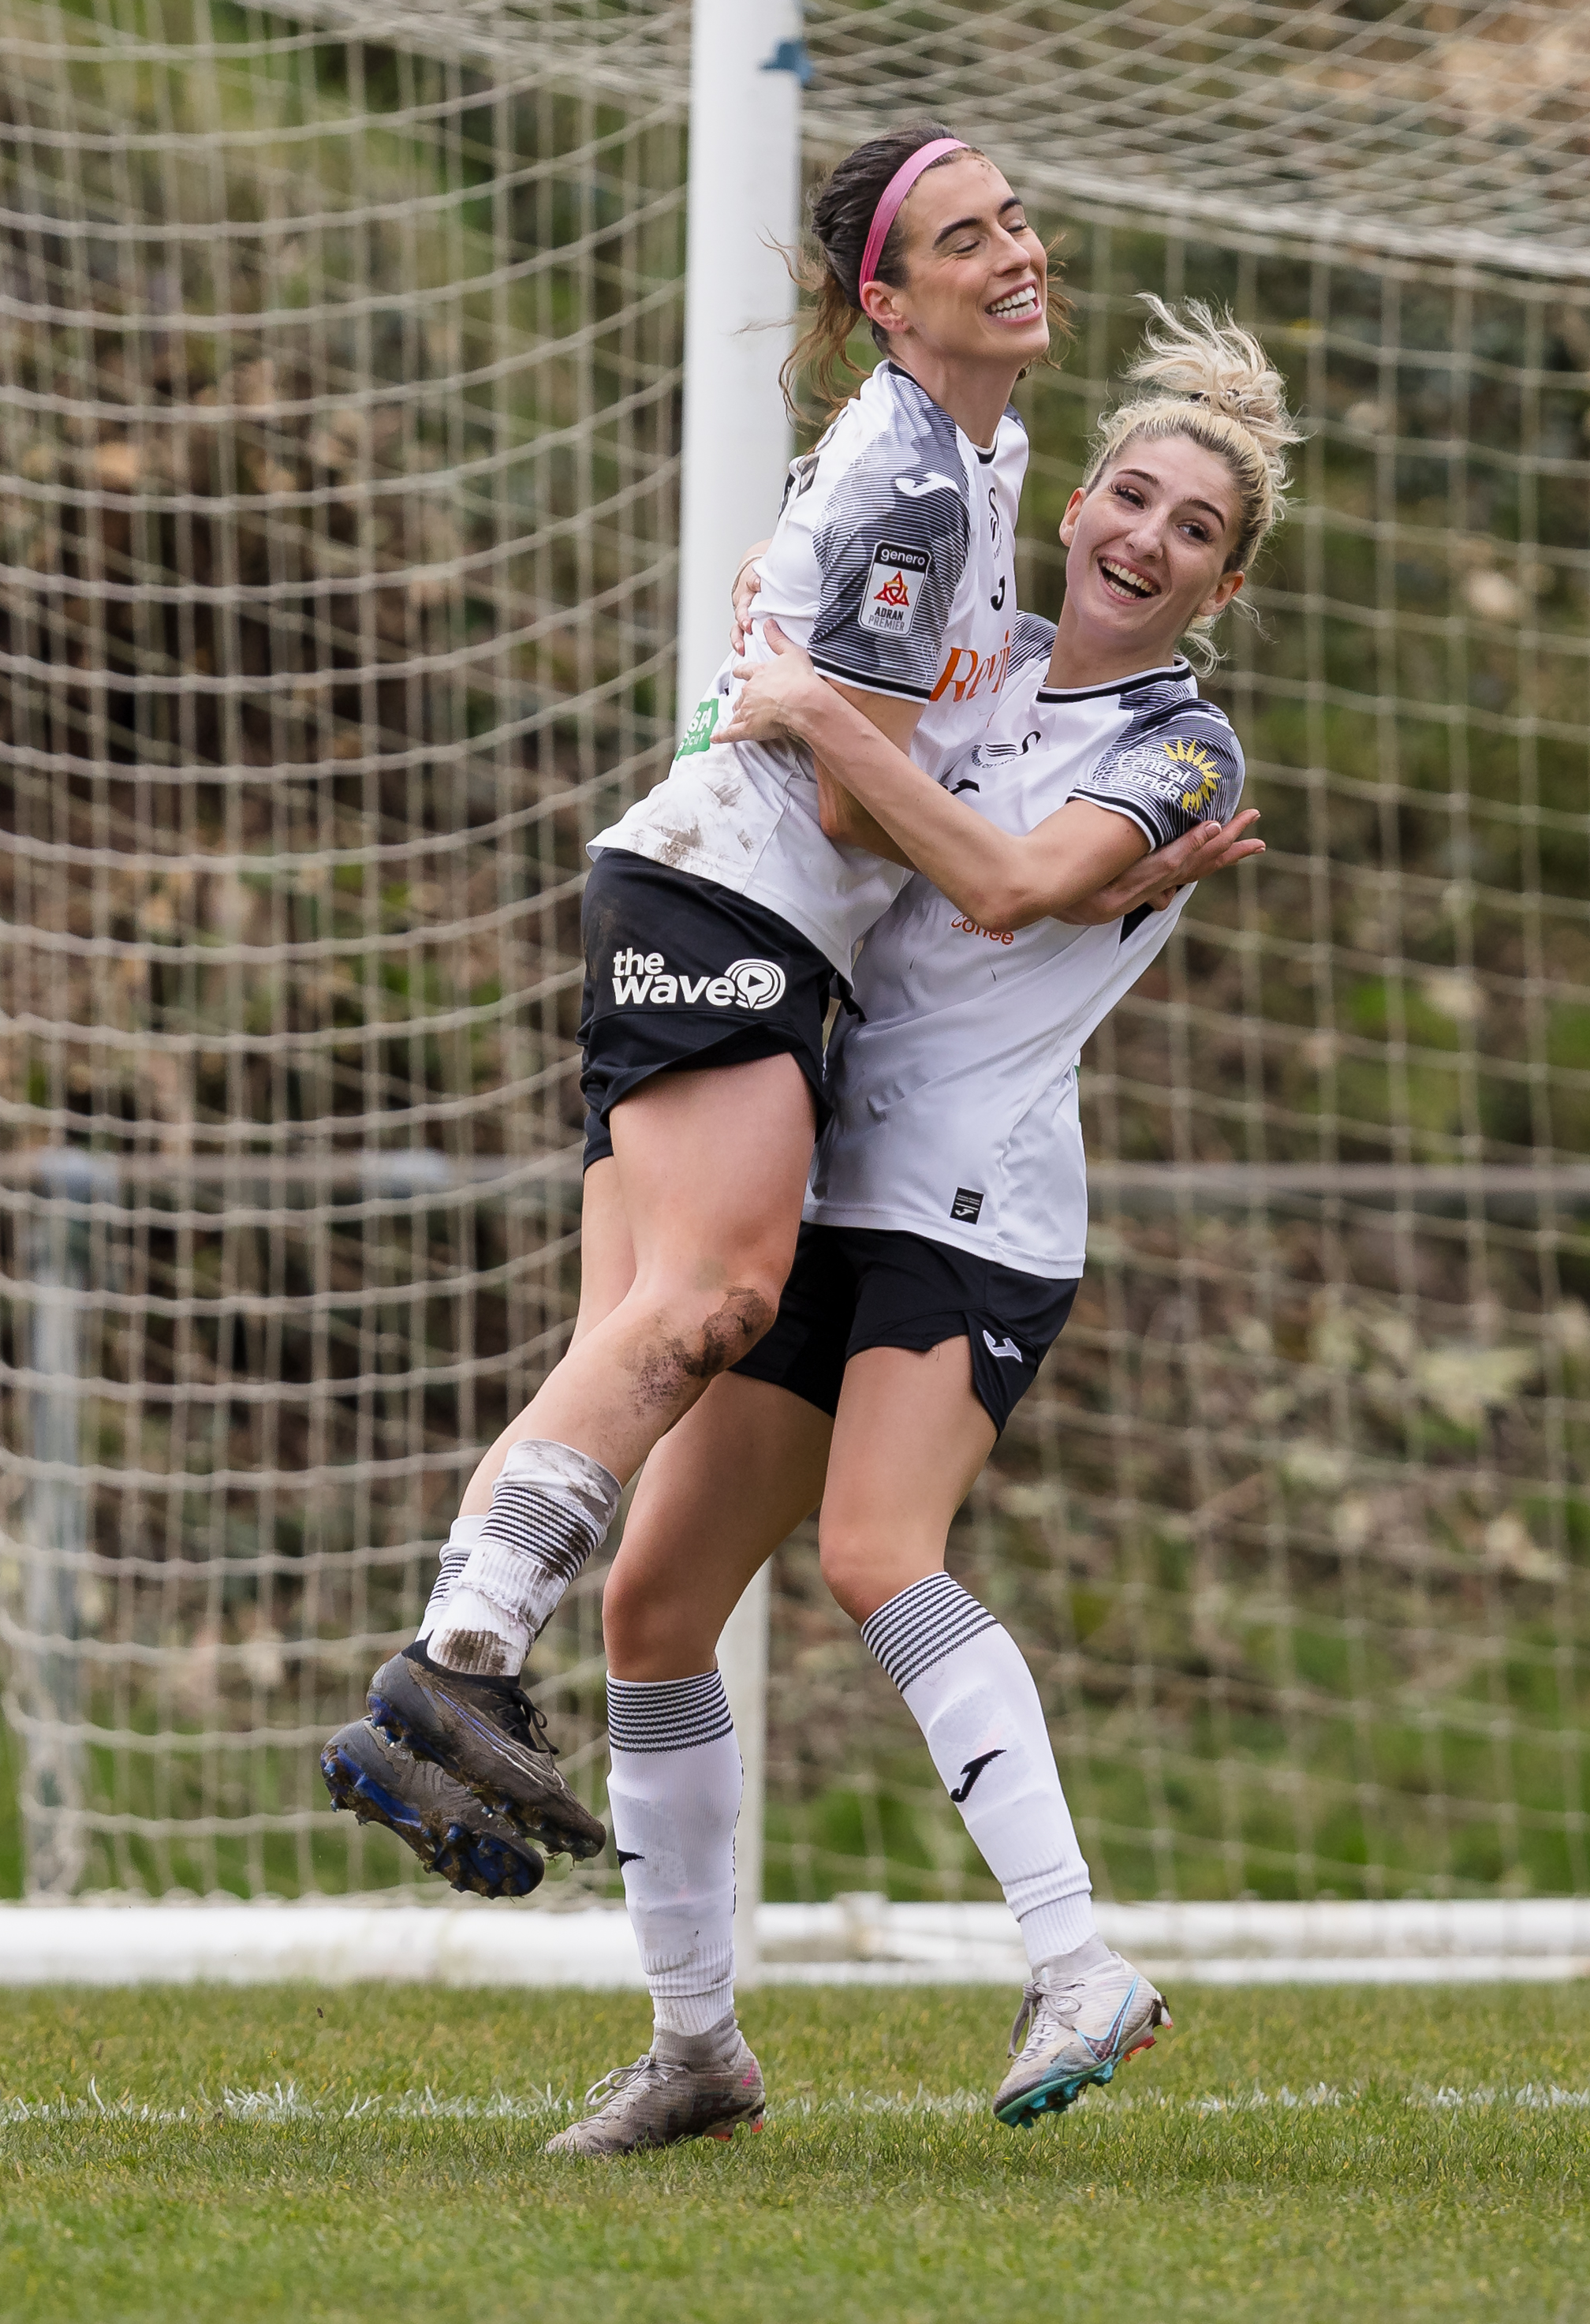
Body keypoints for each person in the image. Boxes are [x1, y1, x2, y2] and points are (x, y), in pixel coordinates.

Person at [319, 125, 1219, 1891]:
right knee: (715, 1298)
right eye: (968, 239)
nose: (1017, 252)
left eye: (1019, 218)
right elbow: (832, 788)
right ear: (886, 299)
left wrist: (1058, 839)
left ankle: (462, 1752)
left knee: (629, 1351)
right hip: (726, 894)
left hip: (717, 908)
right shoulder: (918, 478)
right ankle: (455, 1665)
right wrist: (990, 829)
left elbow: (889, 690)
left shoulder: (979, 446)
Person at [537, 301, 1297, 2156]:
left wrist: (804, 702)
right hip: (816, 1171)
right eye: (1130, 494)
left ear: (1223, 586)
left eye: (1195, 532)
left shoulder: (1182, 752)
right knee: (650, 1606)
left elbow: (1015, 882)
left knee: (880, 1555)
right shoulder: (972, 661)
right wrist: (789, 657)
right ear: (1076, 505)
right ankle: (696, 2050)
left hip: (971, 1212)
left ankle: (1073, 1959)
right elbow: (799, 669)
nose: (1146, 538)